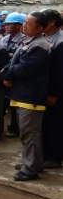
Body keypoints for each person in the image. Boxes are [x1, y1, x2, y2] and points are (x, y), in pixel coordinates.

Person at [1, 12, 50, 181]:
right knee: (28, 132)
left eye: (29, 24)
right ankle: (32, 162)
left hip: (31, 95)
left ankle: (30, 169)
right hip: (22, 92)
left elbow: (25, 68)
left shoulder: (40, 46)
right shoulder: (27, 42)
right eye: (24, 23)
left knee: (30, 133)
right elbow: (14, 62)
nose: (24, 26)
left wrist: (7, 74)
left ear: (40, 28)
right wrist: (7, 73)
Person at [42, 9, 63, 170]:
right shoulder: (43, 37)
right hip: (42, 89)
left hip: (54, 92)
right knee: (42, 125)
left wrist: (54, 93)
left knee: (54, 124)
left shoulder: (59, 41)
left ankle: (55, 157)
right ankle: (42, 156)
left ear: (52, 22)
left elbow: (59, 71)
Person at [2, 12, 26, 138]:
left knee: (15, 105)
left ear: (18, 26)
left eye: (9, 24)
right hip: (4, 74)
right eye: (6, 24)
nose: (6, 27)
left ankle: (15, 127)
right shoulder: (5, 39)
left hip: (15, 77)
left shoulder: (23, 40)